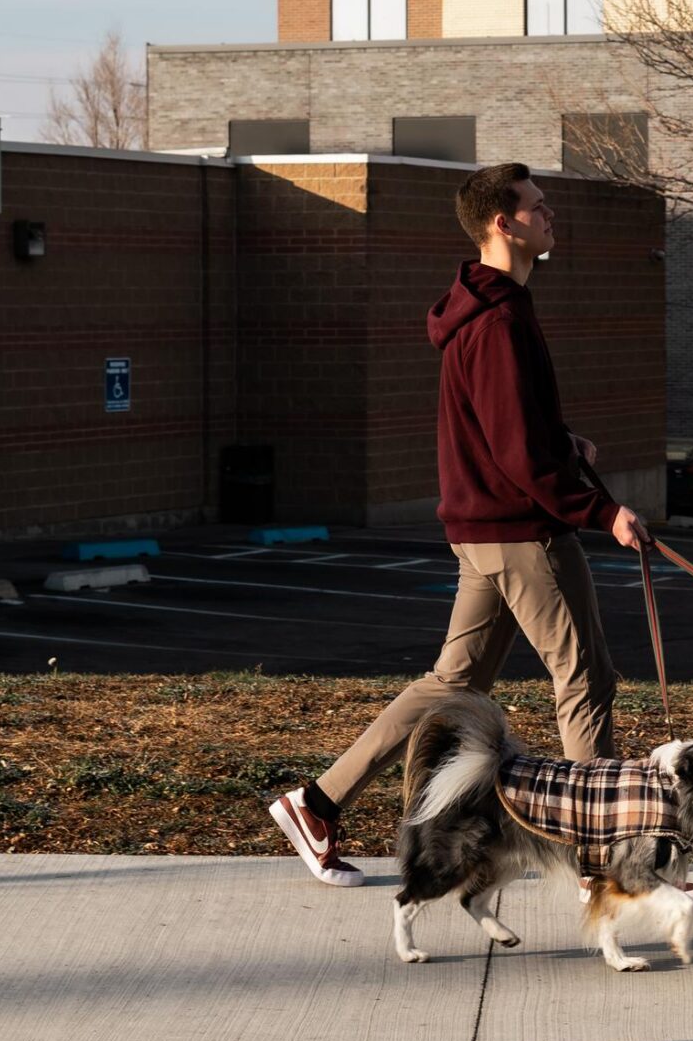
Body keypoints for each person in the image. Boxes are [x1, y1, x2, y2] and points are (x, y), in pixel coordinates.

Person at [268, 160, 649, 885]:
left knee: (452, 684)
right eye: (538, 208)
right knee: (585, 679)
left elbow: (502, 426)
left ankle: (315, 802)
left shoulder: (480, 307)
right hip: (520, 531)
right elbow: (512, 449)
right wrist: (603, 511)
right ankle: (609, 858)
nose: (550, 216)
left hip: (481, 528)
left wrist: (560, 443)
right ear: (503, 224)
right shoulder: (500, 318)